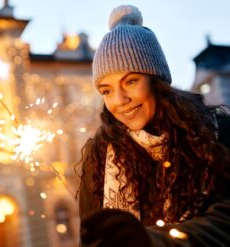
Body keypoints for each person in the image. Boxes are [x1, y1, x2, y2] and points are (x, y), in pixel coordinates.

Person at [77, 5, 230, 247]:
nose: (119, 100)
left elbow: (224, 223)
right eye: (106, 90)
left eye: (131, 81)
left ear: (156, 80)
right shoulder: (98, 157)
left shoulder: (216, 132)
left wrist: (149, 241)